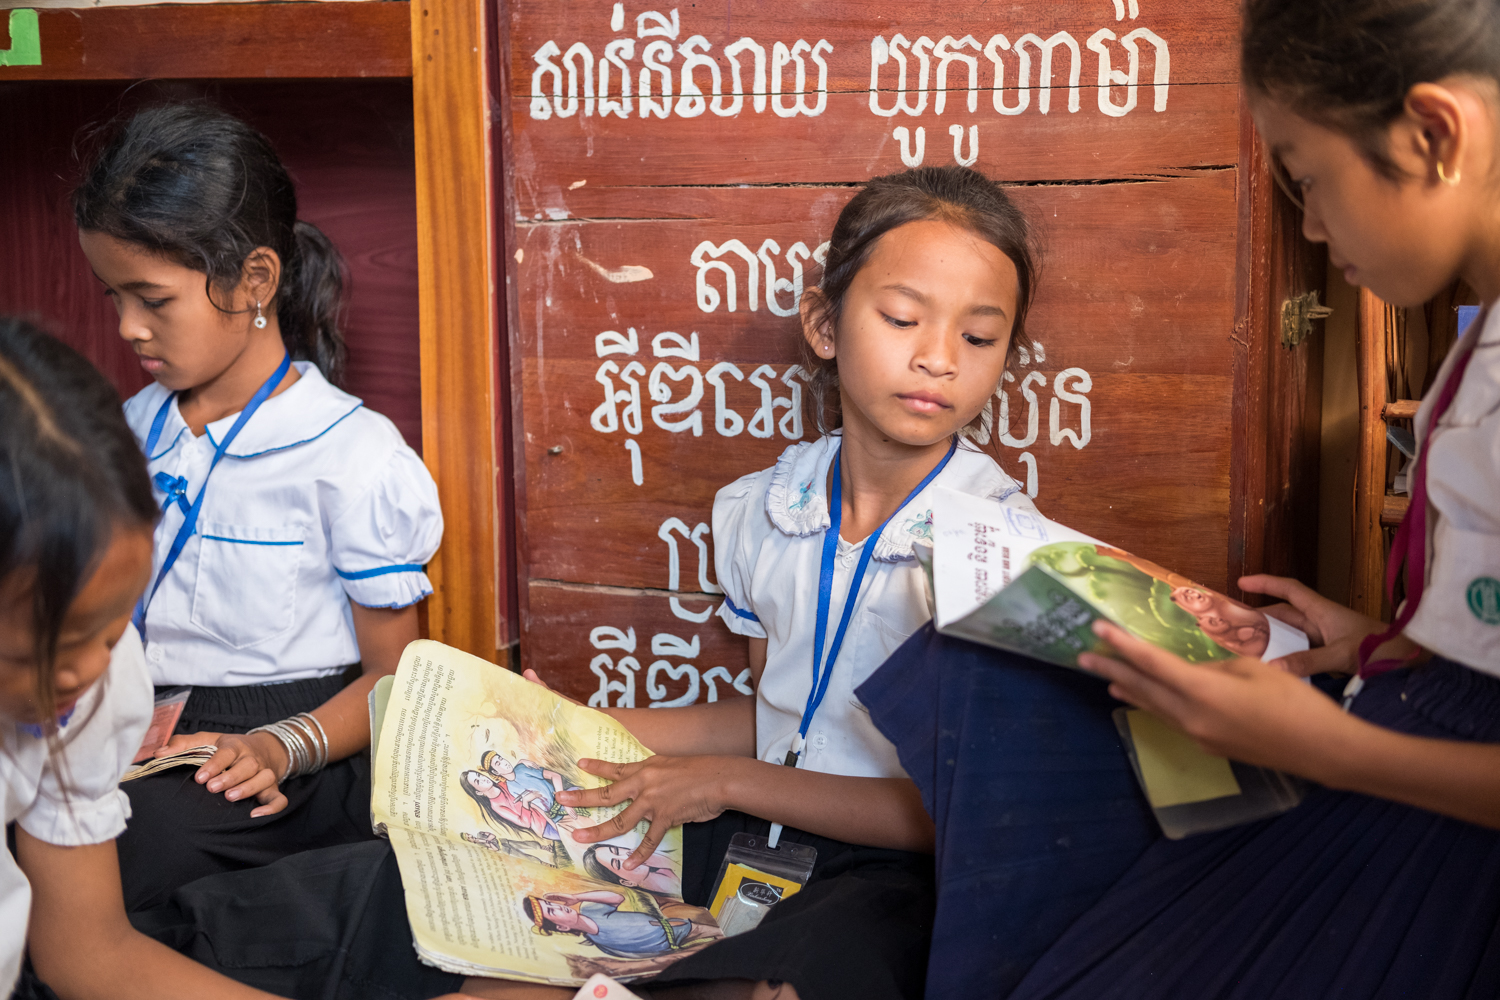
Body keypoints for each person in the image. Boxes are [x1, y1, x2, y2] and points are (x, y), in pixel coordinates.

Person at [857, 1, 1500, 997]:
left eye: (1309, 176)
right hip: (1395, 716)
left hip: (1430, 820)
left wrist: (1331, 747)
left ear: (1434, 134)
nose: (1314, 225)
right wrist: (1386, 640)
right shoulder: (1481, 335)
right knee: (989, 668)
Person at [457, 165, 1041, 1000]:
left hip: (893, 876)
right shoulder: (763, 511)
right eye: (904, 318)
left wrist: (731, 784)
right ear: (824, 324)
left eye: (979, 339)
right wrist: (579, 726)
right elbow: (778, 716)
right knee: (516, 955)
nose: (938, 358)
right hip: (757, 835)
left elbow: (955, 811)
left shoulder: (1002, 551)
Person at [71, 102, 444, 911]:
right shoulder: (126, 431)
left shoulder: (352, 455)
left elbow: (395, 675)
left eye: (154, 299)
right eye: (114, 297)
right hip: (141, 720)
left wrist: (283, 747)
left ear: (255, 282)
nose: (130, 328)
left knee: (132, 847)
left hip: (294, 744)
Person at [0, 316, 304, 1000]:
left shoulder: (93, 689)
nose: (83, 674)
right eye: (40, 651)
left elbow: (88, 952)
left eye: (109, 632)